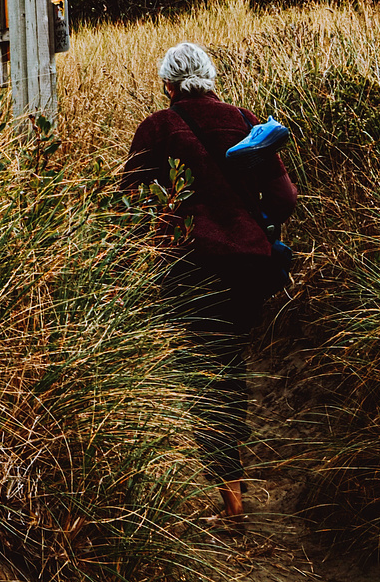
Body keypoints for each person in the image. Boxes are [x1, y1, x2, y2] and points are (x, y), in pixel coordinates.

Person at [123, 41, 297, 520]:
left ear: (167, 86)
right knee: (228, 361)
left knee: (207, 374)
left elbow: (126, 201)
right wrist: (253, 226)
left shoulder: (158, 127)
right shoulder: (248, 123)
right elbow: (285, 198)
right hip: (249, 267)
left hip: (191, 268)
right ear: (211, 79)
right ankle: (233, 481)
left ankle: (230, 499)